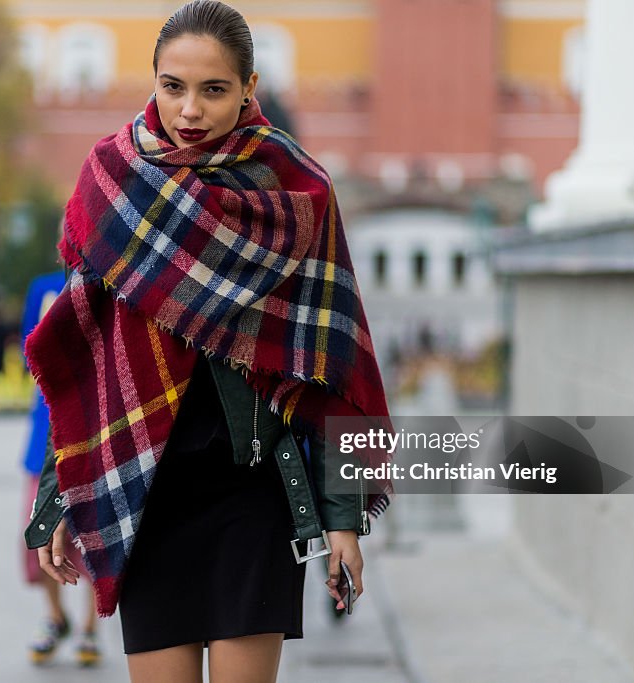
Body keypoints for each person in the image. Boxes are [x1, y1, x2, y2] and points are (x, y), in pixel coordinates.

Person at [22, 2, 393, 681]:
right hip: (143, 493)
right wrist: (59, 496)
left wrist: (343, 519)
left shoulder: (298, 191)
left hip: (252, 500)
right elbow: (88, 365)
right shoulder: (112, 181)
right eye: (173, 86)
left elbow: (335, 371)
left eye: (214, 89)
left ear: (249, 88)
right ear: (154, 80)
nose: (189, 108)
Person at [18, 270, 101, 667]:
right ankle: (54, 617)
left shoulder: (105, 278)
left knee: (93, 533)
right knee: (37, 528)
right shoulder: (44, 286)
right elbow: (27, 350)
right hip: (46, 430)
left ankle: (90, 624)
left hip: (95, 429)